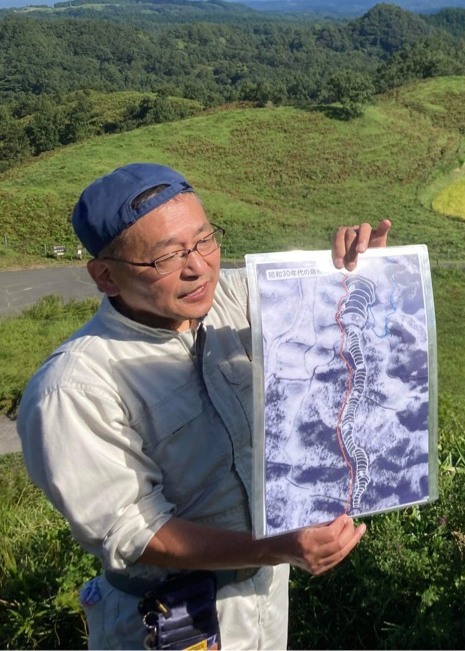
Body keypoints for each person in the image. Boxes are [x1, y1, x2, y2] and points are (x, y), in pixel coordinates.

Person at [17, 163, 392, 649]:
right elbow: (137, 534)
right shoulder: (73, 388)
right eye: (167, 257)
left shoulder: (226, 297)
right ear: (106, 276)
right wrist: (276, 548)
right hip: (166, 620)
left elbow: (332, 319)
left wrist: (364, 269)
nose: (197, 267)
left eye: (204, 240)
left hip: (264, 594)